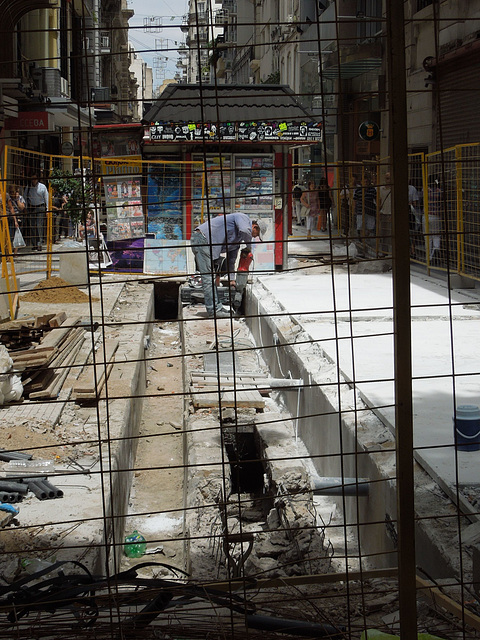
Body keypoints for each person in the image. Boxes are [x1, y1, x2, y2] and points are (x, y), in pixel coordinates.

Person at [190, 212, 264, 318]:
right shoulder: (243, 217)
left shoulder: (237, 241)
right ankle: (213, 310)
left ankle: (217, 308)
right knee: (208, 278)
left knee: (211, 278)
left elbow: (231, 261)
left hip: (207, 245)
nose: (254, 236)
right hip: (202, 238)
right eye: (256, 234)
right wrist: (249, 248)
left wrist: (232, 279)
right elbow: (244, 230)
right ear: (255, 226)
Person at [24, 172, 49, 251]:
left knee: (39, 226)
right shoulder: (28, 188)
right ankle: (34, 243)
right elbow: (25, 198)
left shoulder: (42, 187)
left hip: (40, 207)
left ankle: (39, 244)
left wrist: (47, 209)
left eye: (35, 179)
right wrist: (26, 208)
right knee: (32, 226)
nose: (33, 181)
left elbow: (46, 198)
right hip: (31, 207)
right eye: (32, 179)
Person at [378, 172, 392, 254]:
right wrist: (379, 212)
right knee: (383, 233)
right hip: (383, 213)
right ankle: (384, 251)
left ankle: (391, 251)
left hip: (391, 214)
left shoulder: (393, 189)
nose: (387, 180)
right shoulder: (381, 189)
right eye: (386, 178)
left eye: (389, 178)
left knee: (390, 234)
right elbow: (379, 201)